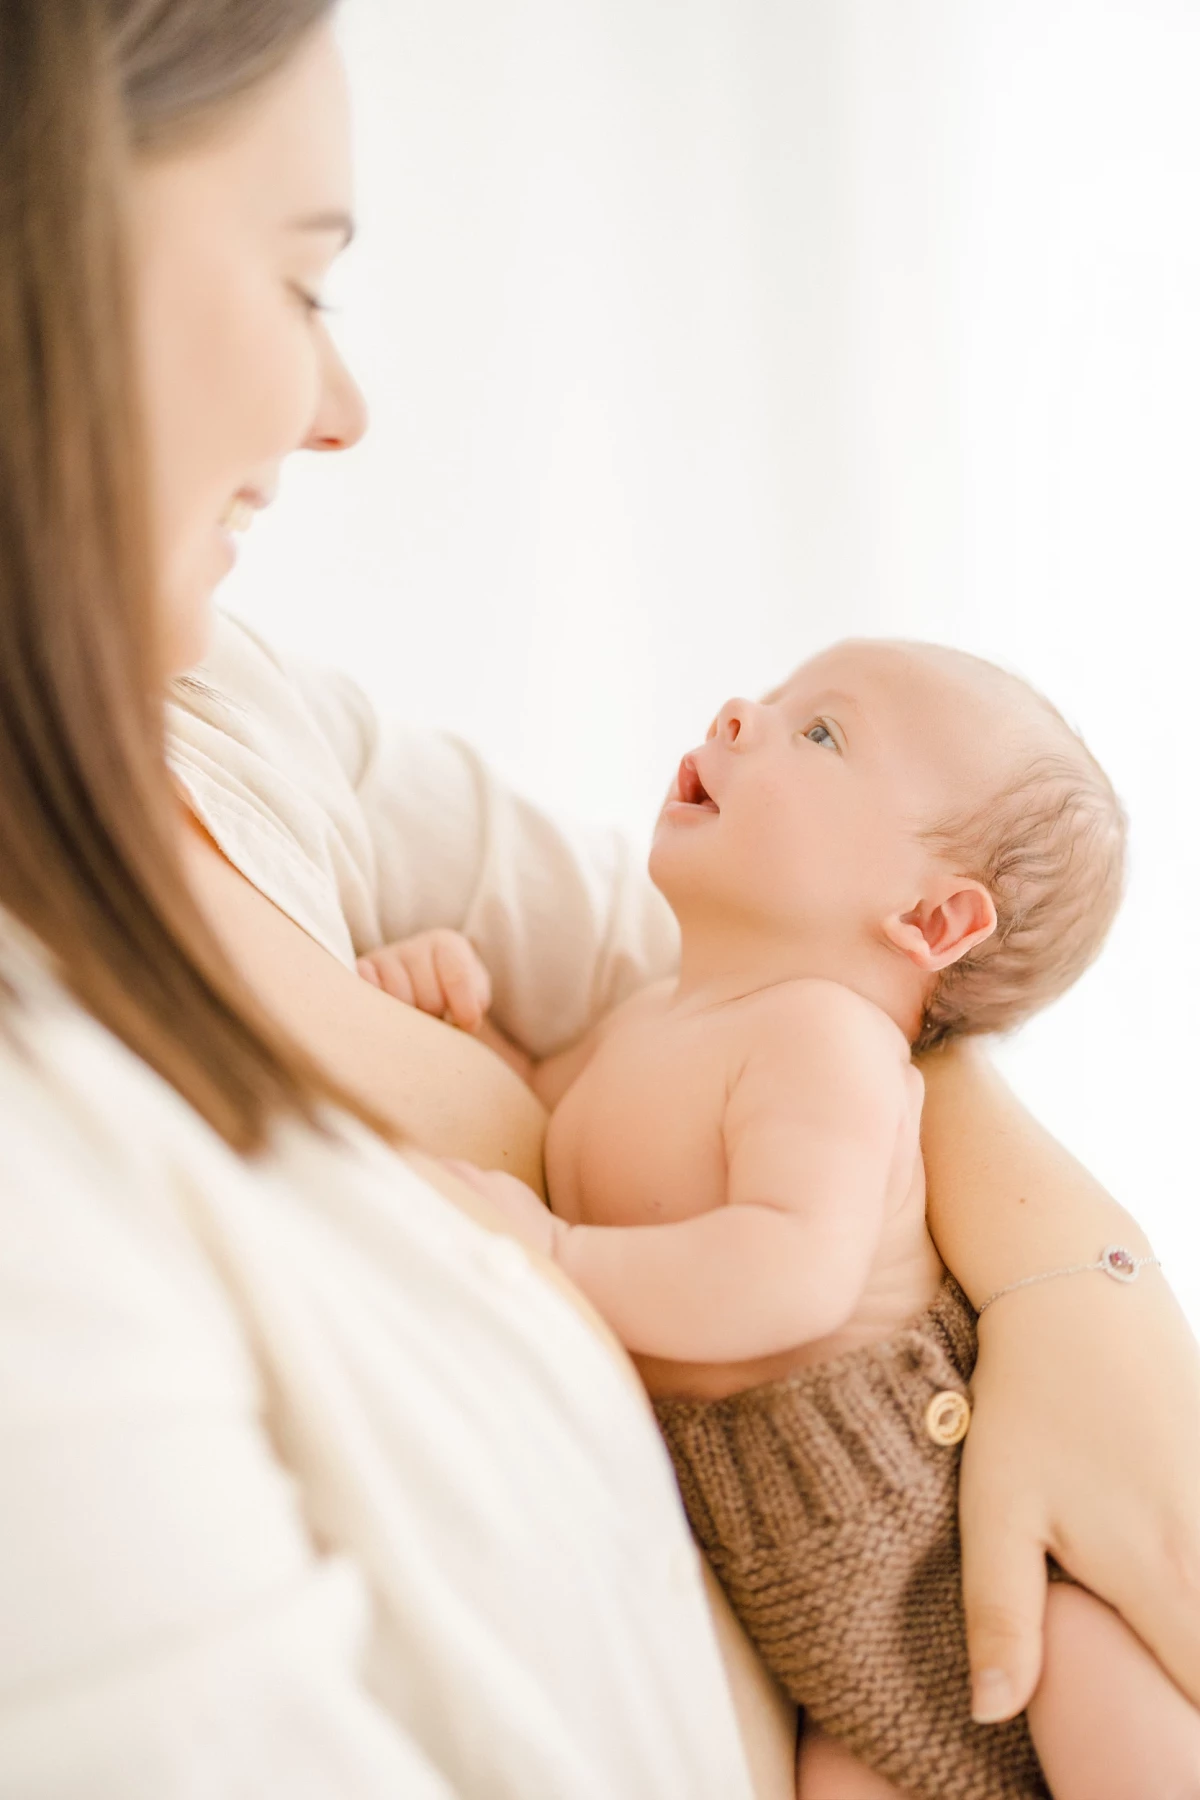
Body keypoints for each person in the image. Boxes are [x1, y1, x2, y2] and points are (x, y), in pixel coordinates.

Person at [1, 3, 1199, 1797]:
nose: (341, 410)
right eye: (303, 284)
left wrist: (1075, 1278)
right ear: (45, 264)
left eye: (817, 729)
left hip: (923, 1560)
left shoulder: (213, 705)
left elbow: (779, 989)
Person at [408, 640, 1198, 1798]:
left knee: (1086, 1665)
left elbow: (791, 1271)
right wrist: (449, 1015)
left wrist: (557, 1257)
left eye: (821, 733)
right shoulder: (644, 1024)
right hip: (833, 1659)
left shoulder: (824, 1042)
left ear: (932, 918)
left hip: (958, 1567)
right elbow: (530, 1127)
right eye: (773, 699)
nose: (740, 713)